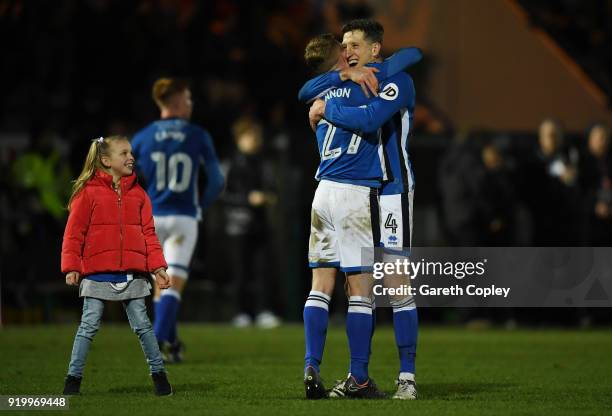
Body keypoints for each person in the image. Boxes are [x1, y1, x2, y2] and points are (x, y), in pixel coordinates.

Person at [300, 25, 418, 400]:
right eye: (344, 45)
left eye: (355, 45)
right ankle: (357, 377)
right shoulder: (346, 80)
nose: (348, 51)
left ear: (375, 48)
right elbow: (306, 90)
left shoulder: (396, 81)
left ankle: (407, 379)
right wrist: (342, 75)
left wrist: (325, 106)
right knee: (359, 287)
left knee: (396, 284)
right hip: (359, 191)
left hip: (392, 192)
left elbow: (411, 55)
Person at [61, 136, 172, 396]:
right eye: (124, 153)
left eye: (131, 152)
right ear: (106, 160)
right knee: (88, 327)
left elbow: (149, 235)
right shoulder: (87, 193)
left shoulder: (139, 195)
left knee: (143, 327)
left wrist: (158, 268)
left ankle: (160, 377)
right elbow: (73, 233)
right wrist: (72, 266)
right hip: (97, 274)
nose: (131, 157)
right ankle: (72, 381)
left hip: (133, 274)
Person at [132, 78, 224, 363]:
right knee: (173, 282)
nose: (191, 104)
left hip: (152, 219)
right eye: (187, 98)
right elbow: (217, 180)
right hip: (184, 218)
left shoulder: (143, 137)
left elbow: (125, 178)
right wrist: (200, 205)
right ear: (175, 102)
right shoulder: (197, 135)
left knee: (161, 286)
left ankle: (171, 341)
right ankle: (157, 345)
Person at [222, 116, 280, 328]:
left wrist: (268, 197)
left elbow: (273, 190)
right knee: (241, 272)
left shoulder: (264, 163)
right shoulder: (231, 164)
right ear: (239, 139)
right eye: (249, 136)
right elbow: (223, 195)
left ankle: (263, 311)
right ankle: (241, 312)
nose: (254, 140)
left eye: (256, 136)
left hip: (261, 224)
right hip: (238, 226)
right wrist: (247, 200)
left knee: (263, 270)